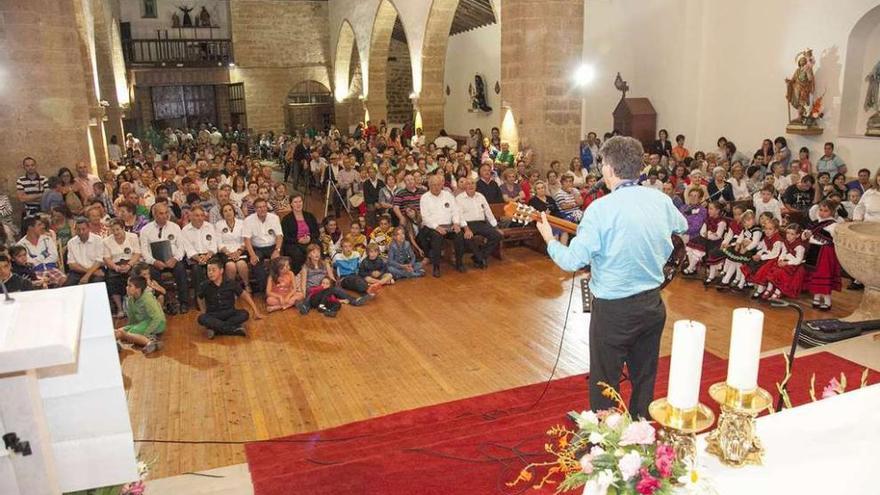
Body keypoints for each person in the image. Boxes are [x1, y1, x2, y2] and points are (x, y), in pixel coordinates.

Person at [535, 136, 687, 418]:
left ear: (609, 169)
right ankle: (640, 428)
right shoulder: (661, 199)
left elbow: (572, 261)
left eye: (603, 164)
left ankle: (605, 438)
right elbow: (683, 225)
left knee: (605, 380)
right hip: (652, 305)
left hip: (614, 310)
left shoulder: (600, 209)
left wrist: (549, 239)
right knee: (644, 375)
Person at [139, 202, 190, 313]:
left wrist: (175, 258)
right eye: (161, 213)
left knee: (181, 269)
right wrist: (154, 261)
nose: (165, 216)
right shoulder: (145, 230)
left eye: (166, 212)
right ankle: (166, 302)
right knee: (152, 272)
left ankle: (184, 302)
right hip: (155, 262)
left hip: (173, 259)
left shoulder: (175, 227)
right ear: (155, 215)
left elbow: (181, 247)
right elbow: (144, 251)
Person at [197, 257, 263, 339]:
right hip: (213, 314)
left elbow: (245, 295)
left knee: (244, 314)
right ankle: (234, 329)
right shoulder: (204, 285)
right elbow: (200, 298)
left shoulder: (231, 283)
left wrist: (255, 311)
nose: (210, 273)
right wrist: (204, 311)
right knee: (201, 318)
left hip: (229, 313)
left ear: (221, 271)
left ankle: (215, 328)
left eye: (213, 270)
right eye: (208, 270)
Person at [418, 174, 466, 277]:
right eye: (433, 185)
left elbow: (455, 210)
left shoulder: (448, 195)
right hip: (432, 227)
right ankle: (436, 267)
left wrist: (456, 223)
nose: (436, 187)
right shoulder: (425, 198)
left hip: (449, 225)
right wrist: (437, 227)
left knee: (459, 234)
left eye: (438, 185)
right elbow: (425, 217)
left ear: (441, 185)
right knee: (437, 237)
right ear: (429, 186)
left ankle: (459, 263)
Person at [455, 177, 502, 269]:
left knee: (497, 235)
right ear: (465, 186)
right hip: (467, 224)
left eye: (473, 183)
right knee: (468, 237)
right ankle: (480, 258)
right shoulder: (459, 198)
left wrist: (496, 227)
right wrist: (466, 229)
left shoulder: (481, 196)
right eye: (468, 184)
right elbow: (459, 215)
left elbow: (488, 212)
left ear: (476, 185)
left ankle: (478, 257)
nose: (471, 185)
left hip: (481, 223)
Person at [751, 223, 807, 301]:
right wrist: (780, 260)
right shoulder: (785, 242)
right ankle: (769, 289)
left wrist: (786, 263)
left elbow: (798, 260)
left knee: (781, 273)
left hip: (794, 265)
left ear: (797, 235)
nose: (789, 236)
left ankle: (778, 291)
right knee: (772, 270)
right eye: (787, 233)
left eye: (792, 234)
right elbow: (783, 252)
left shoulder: (800, 246)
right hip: (784, 261)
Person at [803, 201, 841, 311]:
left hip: (825, 252)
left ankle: (827, 301)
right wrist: (806, 234)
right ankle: (816, 297)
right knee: (814, 274)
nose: (822, 213)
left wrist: (814, 234)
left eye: (826, 211)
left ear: (832, 212)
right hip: (813, 250)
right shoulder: (815, 222)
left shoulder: (833, 225)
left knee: (824, 275)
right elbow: (806, 234)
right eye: (821, 210)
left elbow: (832, 239)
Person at [115, 276, 165, 354]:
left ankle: (150, 342)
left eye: (129, 286)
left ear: (138, 289)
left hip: (156, 323)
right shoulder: (131, 299)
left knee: (130, 333)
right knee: (119, 331)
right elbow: (132, 317)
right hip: (142, 322)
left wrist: (147, 332)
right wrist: (130, 327)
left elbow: (157, 318)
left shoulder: (147, 299)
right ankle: (113, 344)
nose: (126, 287)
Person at [242, 198, 283, 293]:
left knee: (279, 262)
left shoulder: (274, 218)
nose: (262, 209)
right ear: (255, 209)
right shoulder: (248, 220)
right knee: (256, 263)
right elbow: (246, 240)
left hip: (273, 246)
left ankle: (280, 289)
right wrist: (252, 255)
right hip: (257, 248)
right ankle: (266, 292)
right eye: (259, 207)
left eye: (264, 206)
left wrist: (277, 250)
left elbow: (279, 236)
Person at [103, 218, 141, 318]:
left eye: (118, 229)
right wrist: (116, 267)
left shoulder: (133, 237)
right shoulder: (106, 241)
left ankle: (135, 307)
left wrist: (129, 265)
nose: (115, 232)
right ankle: (120, 309)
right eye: (113, 230)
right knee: (112, 279)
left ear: (123, 228)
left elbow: (137, 253)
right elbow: (106, 258)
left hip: (130, 262)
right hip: (115, 265)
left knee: (134, 277)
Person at [718, 210, 762, 290]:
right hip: (742, 249)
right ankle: (727, 279)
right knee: (734, 262)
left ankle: (741, 283)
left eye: (749, 220)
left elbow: (755, 242)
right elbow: (741, 237)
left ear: (754, 219)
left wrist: (746, 249)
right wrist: (738, 244)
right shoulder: (745, 229)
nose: (747, 223)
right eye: (745, 222)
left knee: (742, 266)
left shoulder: (757, 230)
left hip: (750, 251)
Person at [17, 217, 66, 286]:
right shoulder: (21, 244)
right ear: (30, 228)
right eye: (39, 225)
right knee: (41, 285)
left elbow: (54, 256)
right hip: (35, 272)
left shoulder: (47, 239)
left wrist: (38, 260)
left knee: (64, 280)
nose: (43, 226)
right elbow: (28, 262)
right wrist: (44, 255)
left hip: (51, 268)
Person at [181, 205, 217, 298]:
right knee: (196, 270)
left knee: (214, 266)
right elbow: (188, 248)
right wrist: (198, 258)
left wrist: (208, 256)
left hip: (209, 255)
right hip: (194, 257)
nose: (200, 218)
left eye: (202, 215)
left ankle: (215, 295)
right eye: (197, 215)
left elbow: (214, 244)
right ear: (190, 216)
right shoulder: (185, 230)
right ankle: (200, 298)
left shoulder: (210, 227)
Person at [280, 192, 319, 273]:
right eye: (295, 202)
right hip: (294, 243)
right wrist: (298, 240)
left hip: (309, 240)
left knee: (317, 249)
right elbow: (286, 237)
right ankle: (299, 275)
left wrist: (309, 237)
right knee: (297, 254)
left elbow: (316, 232)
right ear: (291, 204)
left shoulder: (310, 216)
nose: (298, 204)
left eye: (300, 201)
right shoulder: (286, 219)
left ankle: (316, 273)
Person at [215, 203, 250, 287]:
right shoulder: (219, 224)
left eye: (230, 210)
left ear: (234, 211)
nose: (228, 212)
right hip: (225, 252)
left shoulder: (242, 223)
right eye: (225, 211)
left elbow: (245, 240)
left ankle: (247, 285)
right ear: (222, 214)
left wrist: (238, 252)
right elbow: (218, 242)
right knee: (230, 266)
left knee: (241, 264)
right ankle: (231, 288)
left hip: (241, 251)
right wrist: (228, 253)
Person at [65, 216, 106, 286]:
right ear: (75, 230)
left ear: (89, 228)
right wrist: (89, 273)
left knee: (97, 283)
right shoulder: (71, 242)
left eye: (83, 229)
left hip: (96, 269)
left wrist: (88, 275)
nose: (81, 232)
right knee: (69, 285)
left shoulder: (98, 240)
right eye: (78, 230)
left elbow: (99, 261)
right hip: (78, 271)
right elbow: (72, 265)